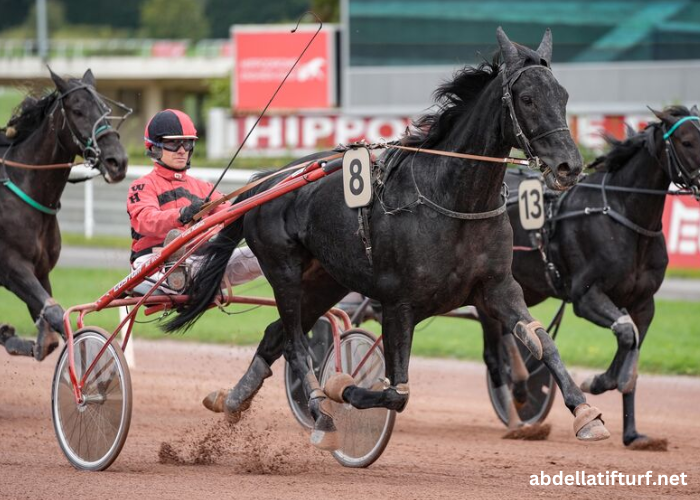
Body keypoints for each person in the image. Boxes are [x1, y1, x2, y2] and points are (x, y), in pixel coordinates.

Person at [127, 109, 262, 290]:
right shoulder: (143, 185)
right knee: (185, 266)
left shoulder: (204, 187)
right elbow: (145, 221)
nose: (182, 150)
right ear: (155, 147)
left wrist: (261, 209)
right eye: (173, 143)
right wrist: (182, 214)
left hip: (201, 261)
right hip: (152, 262)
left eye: (187, 144)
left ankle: (183, 273)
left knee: (265, 253)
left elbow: (231, 214)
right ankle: (177, 269)